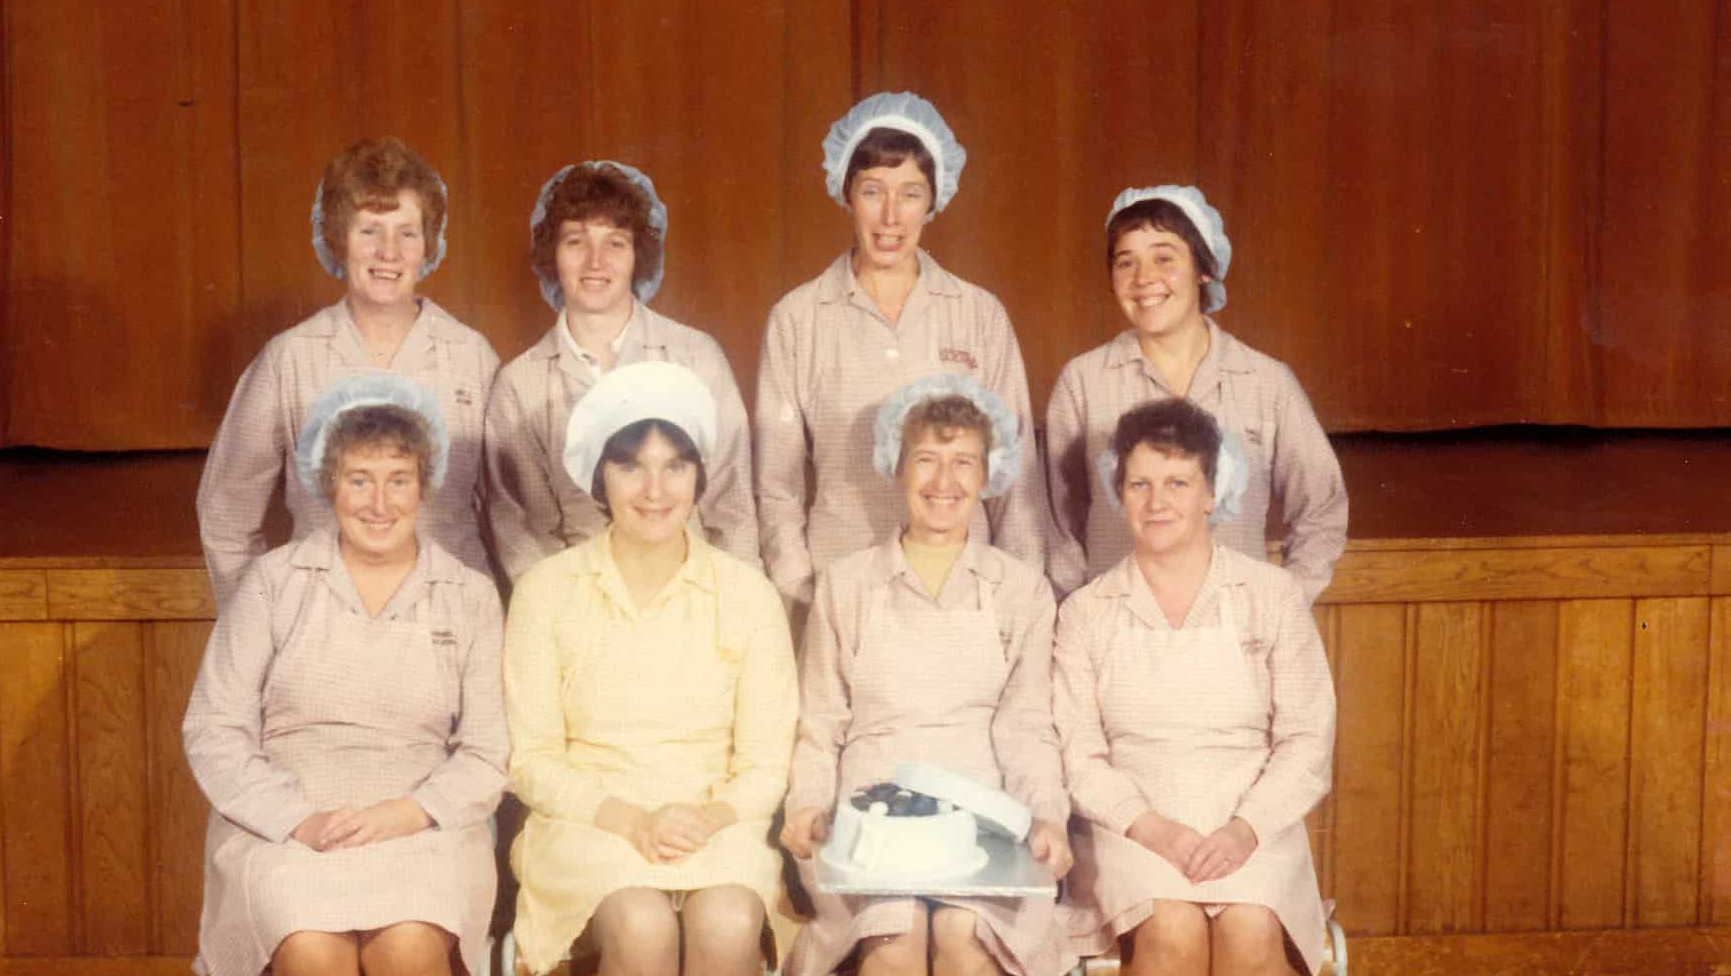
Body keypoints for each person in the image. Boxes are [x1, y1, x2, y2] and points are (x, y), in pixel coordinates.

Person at [184, 373, 507, 976]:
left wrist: (407, 812)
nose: (378, 499)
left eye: (398, 478)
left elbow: (486, 755)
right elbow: (212, 730)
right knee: (314, 947)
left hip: (422, 815)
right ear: (327, 485)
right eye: (359, 479)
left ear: (427, 484)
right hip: (287, 818)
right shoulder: (275, 584)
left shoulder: (468, 595)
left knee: (409, 943)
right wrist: (300, 818)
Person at [502, 360, 798, 976]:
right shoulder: (547, 590)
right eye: (633, 466)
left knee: (727, 916)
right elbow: (530, 760)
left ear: (702, 479)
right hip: (589, 821)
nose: (655, 487)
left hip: (715, 819)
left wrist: (709, 819)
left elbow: (767, 761)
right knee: (638, 922)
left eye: (676, 465)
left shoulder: (746, 593)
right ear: (601, 478)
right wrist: (627, 817)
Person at [779, 375, 1074, 976]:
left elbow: (1027, 724)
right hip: (870, 812)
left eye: (965, 463)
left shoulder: (1020, 590)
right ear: (894, 470)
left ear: (990, 476)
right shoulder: (848, 584)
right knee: (899, 926)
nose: (944, 481)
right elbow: (820, 718)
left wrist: (1046, 817)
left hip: (984, 814)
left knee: (961, 936)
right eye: (925, 461)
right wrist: (805, 806)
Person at [1053, 398, 1335, 976]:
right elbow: (1079, 756)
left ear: (1215, 490)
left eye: (1178, 481)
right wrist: (1158, 831)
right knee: (1172, 929)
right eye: (1139, 482)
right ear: (1118, 492)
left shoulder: (1271, 596)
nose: (1158, 499)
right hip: (1137, 821)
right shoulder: (1087, 612)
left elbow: (1308, 740)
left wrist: (1246, 828)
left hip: (1253, 813)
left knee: (1250, 928)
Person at [755, 92, 1050, 615]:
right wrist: (801, 591)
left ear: (934, 200)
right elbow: (776, 485)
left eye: (910, 193)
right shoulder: (798, 318)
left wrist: (1020, 596)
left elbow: (1016, 477)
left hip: (966, 590)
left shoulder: (979, 314)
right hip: (841, 587)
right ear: (846, 195)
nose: (890, 216)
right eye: (873, 191)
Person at [197, 136, 498, 610]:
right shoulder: (289, 359)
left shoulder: (471, 357)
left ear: (430, 244)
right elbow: (227, 513)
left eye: (407, 232)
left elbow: (510, 510)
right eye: (369, 231)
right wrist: (255, 623)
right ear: (338, 239)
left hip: (450, 616)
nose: (389, 252)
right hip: (322, 620)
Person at [1043, 185, 1346, 603]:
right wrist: (1085, 614)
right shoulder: (1083, 383)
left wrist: (1280, 607)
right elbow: (1057, 526)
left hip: (1235, 642)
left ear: (1204, 268)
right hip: (1118, 644)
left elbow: (1322, 510)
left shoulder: (1267, 383)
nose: (1143, 279)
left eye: (1164, 258)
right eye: (1125, 262)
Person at [485, 160, 759, 583]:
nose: (595, 261)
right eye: (576, 241)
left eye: (615, 243)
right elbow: (523, 534)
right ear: (551, 254)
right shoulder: (518, 386)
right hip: (579, 611)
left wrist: (737, 609)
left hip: (696, 602)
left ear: (638, 256)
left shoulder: (696, 357)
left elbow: (733, 506)